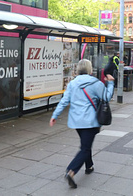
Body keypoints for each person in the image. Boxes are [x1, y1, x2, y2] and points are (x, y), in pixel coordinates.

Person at [49, 59, 114, 189]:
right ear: (90, 70)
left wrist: (54, 116)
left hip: (76, 122)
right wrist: (110, 83)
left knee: (86, 143)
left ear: (78, 70)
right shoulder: (96, 83)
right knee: (85, 147)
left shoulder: (72, 84)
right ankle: (71, 171)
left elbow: (64, 101)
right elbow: (106, 97)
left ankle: (89, 166)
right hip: (90, 122)